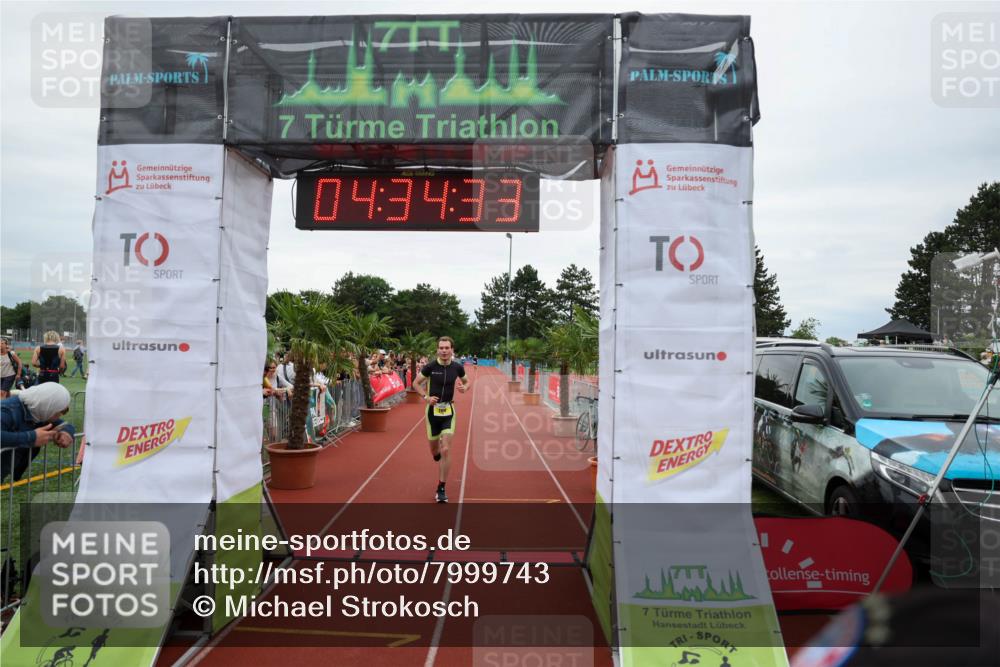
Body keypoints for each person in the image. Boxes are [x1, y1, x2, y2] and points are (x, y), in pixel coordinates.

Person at [412, 336, 470, 503]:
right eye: (441, 348)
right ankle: (436, 453)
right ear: (438, 350)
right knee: (435, 451)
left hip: (449, 412)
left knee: (445, 449)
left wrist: (464, 387)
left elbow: (467, 382)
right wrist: (426, 397)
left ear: (452, 350)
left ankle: (441, 487)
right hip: (432, 413)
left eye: (447, 348)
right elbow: (416, 383)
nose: (444, 351)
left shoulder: (457, 367)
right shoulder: (431, 366)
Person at [1, 383, 75, 482]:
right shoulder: (7, 411)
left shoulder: (38, 411)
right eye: (61, 411)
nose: (61, 415)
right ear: (49, 406)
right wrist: (32, 437)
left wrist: (66, 433)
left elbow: (66, 425)